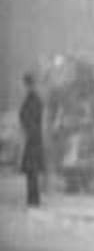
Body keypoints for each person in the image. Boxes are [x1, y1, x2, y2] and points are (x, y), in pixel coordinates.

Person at [19, 72, 45, 207]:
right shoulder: (31, 99)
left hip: (33, 139)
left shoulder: (34, 99)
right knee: (31, 171)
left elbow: (31, 117)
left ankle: (34, 199)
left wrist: (28, 129)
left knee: (32, 170)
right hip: (32, 138)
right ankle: (32, 199)